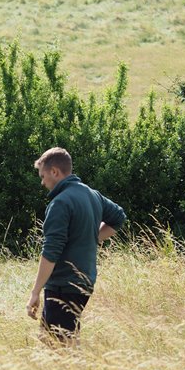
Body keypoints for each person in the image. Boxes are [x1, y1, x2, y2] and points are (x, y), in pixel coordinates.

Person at [26, 147, 126, 343]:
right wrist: (92, 237)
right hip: (85, 281)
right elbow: (119, 217)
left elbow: (51, 251)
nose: (42, 182)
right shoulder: (92, 194)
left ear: (55, 171)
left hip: (64, 284)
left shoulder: (60, 203)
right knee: (63, 340)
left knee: (55, 347)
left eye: (43, 176)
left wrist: (35, 292)